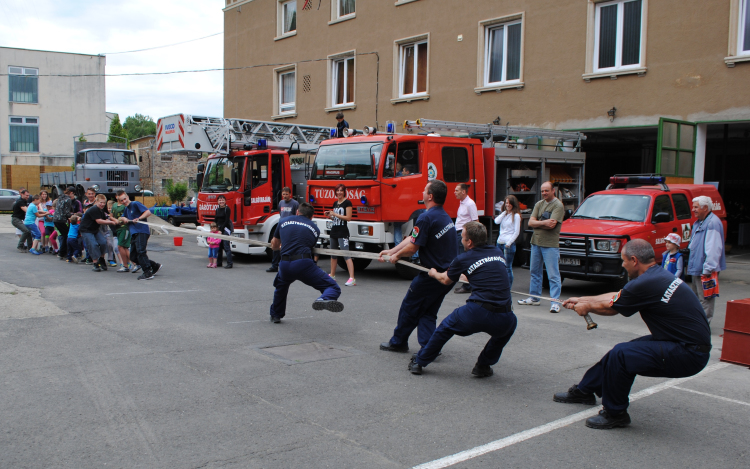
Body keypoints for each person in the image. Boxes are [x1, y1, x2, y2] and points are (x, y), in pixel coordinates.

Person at [555, 239, 711, 429]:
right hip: (681, 343)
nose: (623, 264)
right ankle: (584, 391)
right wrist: (582, 299)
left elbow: (612, 308)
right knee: (617, 353)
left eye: (624, 260)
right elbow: (619, 295)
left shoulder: (646, 282)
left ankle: (615, 413)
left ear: (634, 260)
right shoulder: (656, 276)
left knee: (622, 355)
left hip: (689, 353)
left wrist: (587, 307)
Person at [408, 222, 517, 377]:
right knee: (507, 329)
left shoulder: (463, 258)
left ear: (469, 242)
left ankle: (419, 361)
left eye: (463, 237)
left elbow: (446, 280)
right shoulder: (497, 252)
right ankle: (483, 366)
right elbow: (484, 270)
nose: (461, 240)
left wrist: (433, 273)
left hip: (477, 312)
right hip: (505, 315)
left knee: (445, 327)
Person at [378, 180, 458, 353]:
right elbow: (413, 239)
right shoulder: (443, 216)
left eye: (424, 189)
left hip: (431, 275)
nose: (422, 192)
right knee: (428, 311)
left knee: (410, 307)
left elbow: (413, 247)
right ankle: (430, 347)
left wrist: (397, 256)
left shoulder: (426, 217)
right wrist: (392, 250)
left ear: (430, 196)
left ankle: (398, 342)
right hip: (447, 276)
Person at [269, 202, 343, 323]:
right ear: (311, 217)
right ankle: (323, 299)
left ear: (297, 212)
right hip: (303, 264)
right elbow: (308, 245)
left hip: (285, 263)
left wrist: (279, 244)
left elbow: (275, 246)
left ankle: (275, 315)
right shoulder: (315, 229)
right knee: (333, 287)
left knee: (281, 285)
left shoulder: (283, 221)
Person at [518, 182, 564, 313]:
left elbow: (552, 225)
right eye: (542, 191)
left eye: (547, 191)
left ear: (553, 191)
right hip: (536, 243)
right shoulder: (539, 204)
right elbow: (530, 223)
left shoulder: (558, 205)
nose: (544, 193)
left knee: (553, 275)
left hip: (550, 245)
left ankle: (555, 302)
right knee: (534, 272)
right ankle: (534, 298)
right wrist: (543, 222)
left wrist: (537, 223)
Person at [686, 195, 726, 324]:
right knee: (696, 297)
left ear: (705, 208)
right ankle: (697, 323)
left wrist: (708, 268)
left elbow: (714, 248)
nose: (693, 209)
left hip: (705, 268)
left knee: (705, 298)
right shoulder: (699, 222)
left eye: (696, 207)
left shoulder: (712, 223)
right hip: (697, 266)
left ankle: (703, 325)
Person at [117, 189, 162, 280]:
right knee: (133, 256)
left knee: (141, 251)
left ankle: (147, 272)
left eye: (124, 199)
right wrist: (124, 219)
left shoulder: (135, 204)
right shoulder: (126, 209)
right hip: (134, 233)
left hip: (141, 231)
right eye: (121, 200)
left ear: (127, 197)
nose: (124, 201)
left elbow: (148, 212)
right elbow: (121, 217)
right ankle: (154, 265)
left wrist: (139, 218)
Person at [326, 184, 356, 286]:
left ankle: (352, 278)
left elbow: (348, 218)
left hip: (342, 231)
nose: (339, 192)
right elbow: (336, 218)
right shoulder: (335, 203)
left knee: (346, 254)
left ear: (344, 192)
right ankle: (332, 275)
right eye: (337, 190)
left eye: (341, 190)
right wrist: (330, 216)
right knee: (333, 254)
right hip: (334, 230)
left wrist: (335, 214)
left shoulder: (347, 203)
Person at [79, 194, 118, 272]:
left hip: (95, 230)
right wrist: (111, 222)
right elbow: (99, 221)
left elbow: (105, 219)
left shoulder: (101, 210)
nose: (102, 204)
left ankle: (101, 258)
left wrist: (114, 220)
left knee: (103, 242)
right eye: (101, 202)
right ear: (96, 201)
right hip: (86, 230)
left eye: (104, 203)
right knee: (93, 244)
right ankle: (95, 263)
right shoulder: (94, 209)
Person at [267, 187, 300, 273]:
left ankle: (289, 266)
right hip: (280, 226)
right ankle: (274, 265)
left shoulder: (295, 203)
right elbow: (280, 213)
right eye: (283, 194)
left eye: (286, 194)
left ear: (290, 194)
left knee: (287, 247)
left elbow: (297, 215)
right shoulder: (281, 203)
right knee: (275, 245)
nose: (285, 196)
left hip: (289, 228)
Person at [453, 183, 478, 294]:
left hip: (464, 235)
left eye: (457, 190)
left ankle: (468, 286)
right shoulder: (462, 203)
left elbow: (475, 221)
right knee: (461, 258)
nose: (455, 192)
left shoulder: (470, 204)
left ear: (463, 191)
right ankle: (466, 283)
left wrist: (470, 238)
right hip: (458, 233)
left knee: (465, 260)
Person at [494, 195, 522, 287]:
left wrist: (509, 243)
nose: (508, 205)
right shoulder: (505, 214)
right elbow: (496, 221)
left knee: (508, 267)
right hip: (500, 242)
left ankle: (508, 287)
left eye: (509, 203)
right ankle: (501, 285)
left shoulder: (516, 216)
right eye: (506, 203)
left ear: (513, 204)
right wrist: (504, 212)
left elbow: (516, 231)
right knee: (499, 266)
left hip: (507, 244)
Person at [53, 187, 77, 260]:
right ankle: (62, 253)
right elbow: (66, 212)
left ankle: (63, 252)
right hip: (61, 219)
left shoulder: (60, 197)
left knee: (64, 235)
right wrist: (73, 215)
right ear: (71, 193)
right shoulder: (68, 199)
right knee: (66, 235)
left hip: (55, 219)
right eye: (73, 194)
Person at [110, 195, 132, 272]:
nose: (123, 201)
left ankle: (133, 263)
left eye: (124, 198)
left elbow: (129, 217)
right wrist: (115, 220)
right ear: (116, 197)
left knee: (120, 246)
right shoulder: (115, 205)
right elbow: (111, 216)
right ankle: (128, 264)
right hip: (118, 229)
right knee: (123, 247)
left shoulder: (126, 206)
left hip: (124, 228)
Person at [214, 195, 233, 269]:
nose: (221, 201)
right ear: (217, 201)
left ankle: (229, 263)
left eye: (222, 200)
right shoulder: (217, 209)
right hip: (218, 230)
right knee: (219, 246)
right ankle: (219, 262)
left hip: (226, 229)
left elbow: (226, 220)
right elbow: (216, 219)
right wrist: (213, 228)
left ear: (225, 201)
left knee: (226, 246)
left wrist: (221, 230)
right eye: (219, 200)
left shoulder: (227, 209)